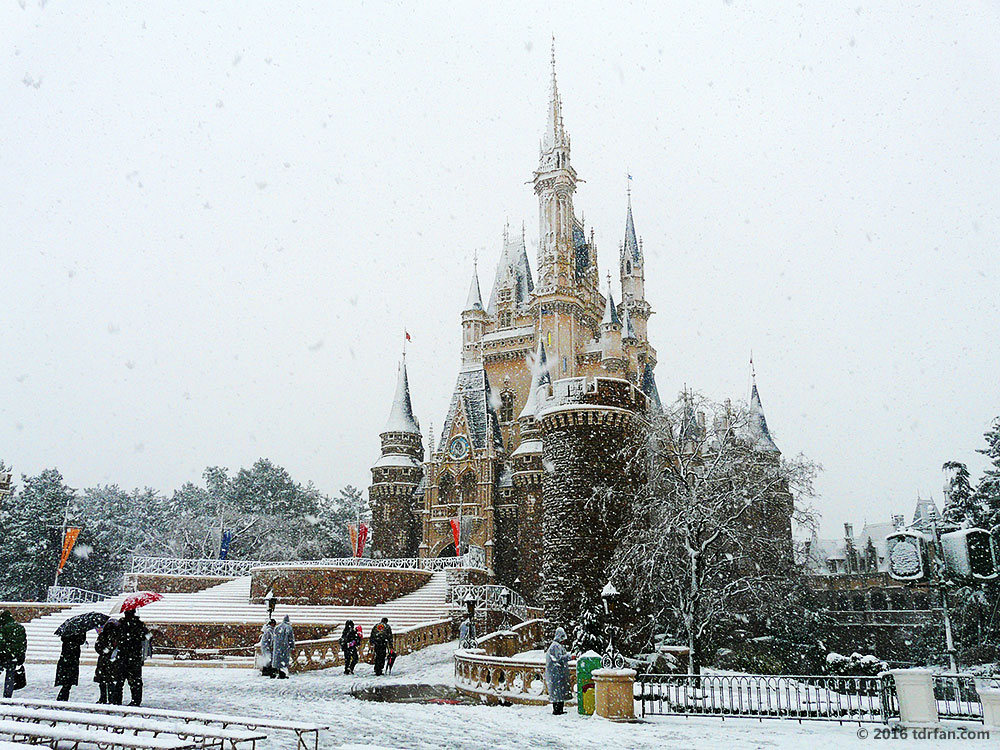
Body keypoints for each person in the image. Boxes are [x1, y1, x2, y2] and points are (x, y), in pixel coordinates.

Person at [117, 609, 150, 706]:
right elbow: (148, 636)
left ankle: (116, 700)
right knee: (136, 681)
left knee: (119, 681)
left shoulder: (120, 625)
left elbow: (116, 638)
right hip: (135, 656)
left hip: (123, 656)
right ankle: (136, 700)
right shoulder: (139, 625)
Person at [545, 627, 571, 715]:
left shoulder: (557, 646)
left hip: (557, 673)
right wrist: (570, 657)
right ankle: (557, 710)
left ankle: (559, 709)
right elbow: (559, 658)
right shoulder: (555, 646)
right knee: (558, 693)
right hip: (556, 673)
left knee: (558, 693)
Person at [0, 610, 26, 699]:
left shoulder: (3, 628)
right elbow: (23, 644)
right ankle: (7, 695)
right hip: (14, 656)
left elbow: (1, 642)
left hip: (3, 655)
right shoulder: (20, 627)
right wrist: (21, 656)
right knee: (10, 676)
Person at [93, 619, 121, 704]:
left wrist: (104, 651)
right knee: (111, 682)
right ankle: (111, 698)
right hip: (112, 661)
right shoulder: (117, 636)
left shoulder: (102, 635)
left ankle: (103, 698)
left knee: (103, 682)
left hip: (103, 661)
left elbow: (97, 647)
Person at [54, 630, 87, 701]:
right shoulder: (80, 631)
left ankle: (63, 694)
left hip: (66, 656)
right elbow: (81, 641)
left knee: (66, 679)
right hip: (72, 656)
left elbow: (63, 638)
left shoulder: (67, 633)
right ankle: (63, 695)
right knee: (69, 680)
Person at [271, 614, 295, 679]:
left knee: (278, 661)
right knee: (284, 662)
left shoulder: (277, 627)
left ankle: (278, 673)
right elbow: (291, 638)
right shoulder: (288, 627)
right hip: (285, 647)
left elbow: (273, 638)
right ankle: (282, 674)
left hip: (277, 647)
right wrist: (292, 646)